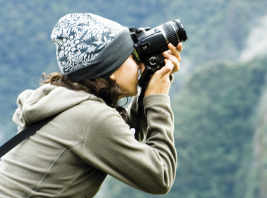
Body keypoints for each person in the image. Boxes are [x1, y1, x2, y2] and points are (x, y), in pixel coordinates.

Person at [0, 13, 182, 197]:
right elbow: (161, 176)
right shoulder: (92, 117)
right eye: (133, 57)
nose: (138, 64)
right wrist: (157, 98)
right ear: (110, 67)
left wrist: (149, 84)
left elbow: (124, 146)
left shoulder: (65, 102)